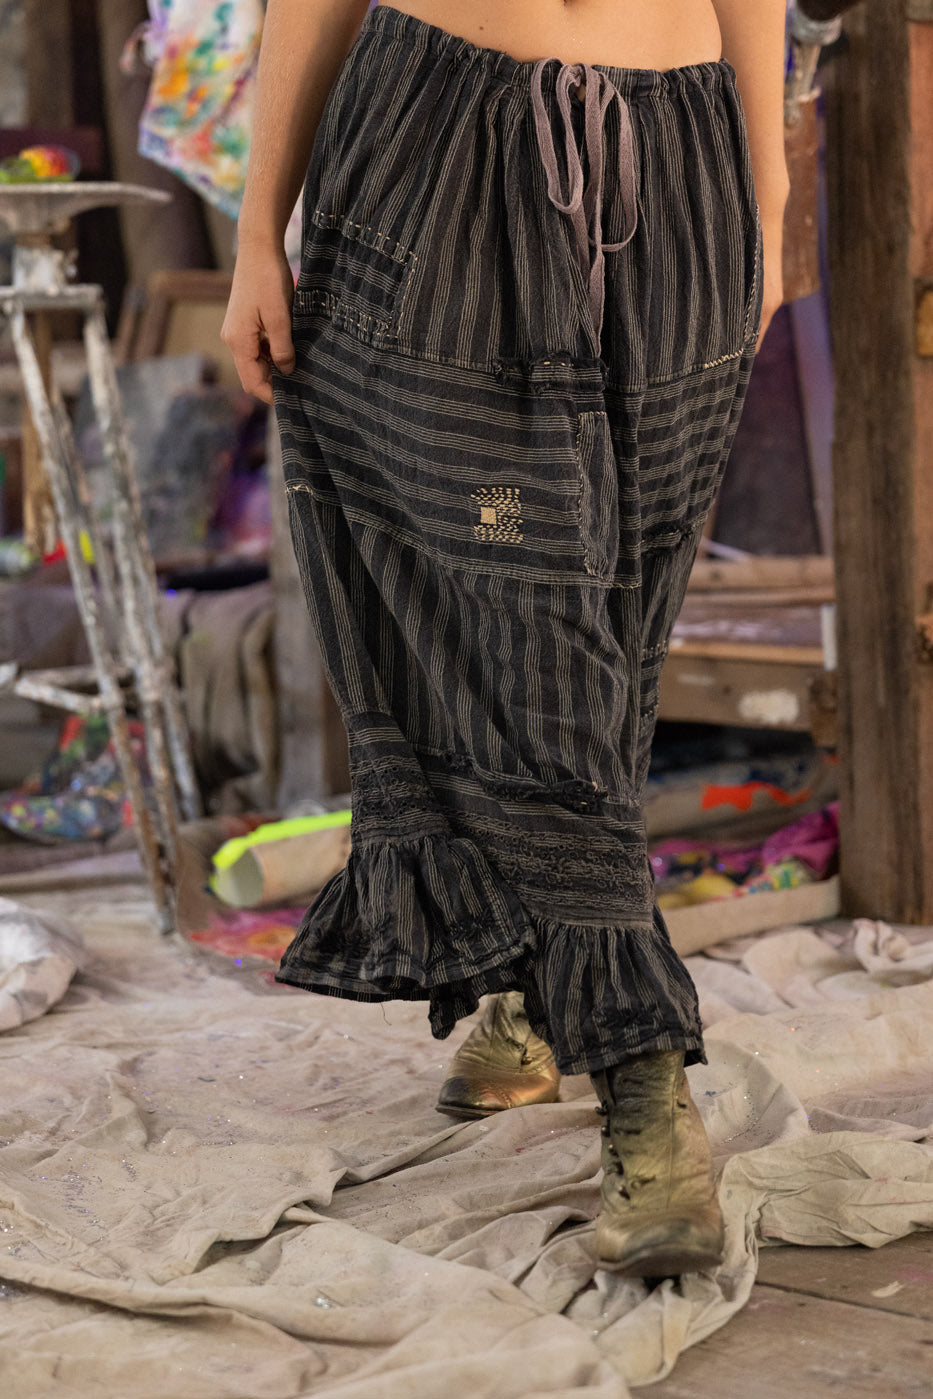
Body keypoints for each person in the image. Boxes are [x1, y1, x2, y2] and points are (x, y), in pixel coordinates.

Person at [222, 0, 788, 1278]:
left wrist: (767, 190)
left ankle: (533, 986)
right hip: (434, 145)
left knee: (615, 621)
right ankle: (646, 1081)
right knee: (520, 605)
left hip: (681, 164)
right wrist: (258, 231)